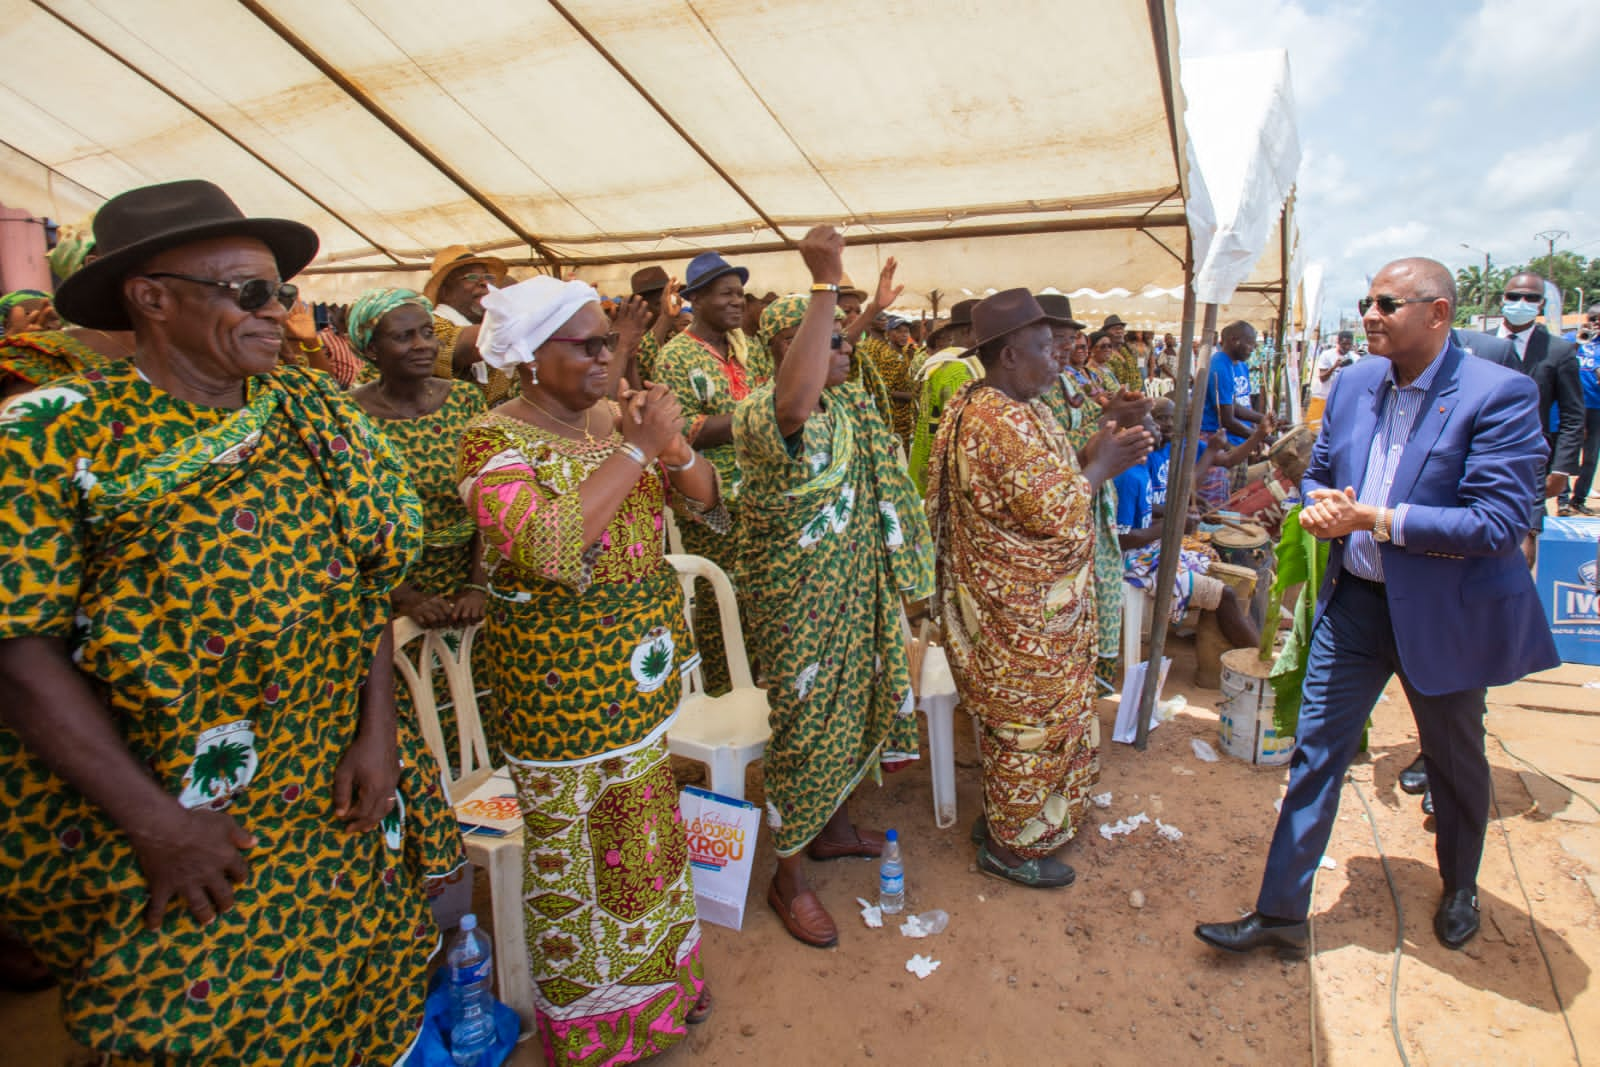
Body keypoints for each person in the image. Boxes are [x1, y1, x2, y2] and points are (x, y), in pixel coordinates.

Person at [0, 178, 462, 1063]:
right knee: (194, 1020)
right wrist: (157, 824)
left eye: (282, 295)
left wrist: (378, 735)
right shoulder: (54, 435)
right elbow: (20, 651)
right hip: (178, 812)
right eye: (250, 293)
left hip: (332, 786)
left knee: (364, 986)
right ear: (153, 297)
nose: (278, 316)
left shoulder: (311, 412)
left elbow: (363, 581)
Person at [1195, 258, 1558, 958]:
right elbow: (1321, 474)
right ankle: (1280, 915)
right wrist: (1318, 508)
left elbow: (1498, 523)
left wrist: (1378, 518)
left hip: (1443, 612)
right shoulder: (1355, 381)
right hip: (1356, 604)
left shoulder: (1498, 394)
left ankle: (1459, 885)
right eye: (1367, 300)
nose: (1370, 314)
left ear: (1438, 314)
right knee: (1316, 753)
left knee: (1454, 761)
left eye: (1388, 303)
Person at [457, 275, 725, 1061]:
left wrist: (667, 447)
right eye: (587, 344)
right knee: (579, 863)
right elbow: (545, 545)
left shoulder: (614, 422)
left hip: (637, 683)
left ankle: (665, 992)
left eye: (609, 340)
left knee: (645, 841)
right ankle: (600, 1030)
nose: (607, 355)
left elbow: (705, 498)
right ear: (530, 356)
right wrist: (638, 448)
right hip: (559, 699)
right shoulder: (490, 439)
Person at [733, 229, 934, 948]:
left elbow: (828, 356)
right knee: (803, 729)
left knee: (854, 704)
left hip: (855, 588)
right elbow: (794, 395)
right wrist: (824, 282)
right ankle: (787, 876)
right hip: (800, 606)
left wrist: (864, 312)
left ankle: (833, 828)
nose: (846, 349)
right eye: (833, 343)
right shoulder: (768, 414)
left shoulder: (846, 407)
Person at [927, 289, 1151, 888]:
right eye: (1045, 348)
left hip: (1039, 610)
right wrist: (1101, 466)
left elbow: (1049, 476)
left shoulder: (1018, 405)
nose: (1059, 357)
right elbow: (1054, 509)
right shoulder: (994, 419)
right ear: (1006, 355)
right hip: (1017, 613)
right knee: (1027, 724)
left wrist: (1104, 449)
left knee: (1040, 721)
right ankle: (1011, 847)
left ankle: (1007, 820)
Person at [653, 251, 767, 694]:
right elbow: (686, 432)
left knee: (758, 597)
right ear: (695, 300)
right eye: (726, 294)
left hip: (759, 495)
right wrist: (758, 416)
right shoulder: (676, 358)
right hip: (711, 501)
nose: (738, 302)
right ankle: (722, 693)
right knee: (721, 600)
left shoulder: (749, 350)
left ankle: (755, 689)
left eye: (740, 293)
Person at [347, 288, 488, 628]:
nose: (422, 345)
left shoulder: (465, 401)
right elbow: (348, 520)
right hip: (386, 592)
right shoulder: (347, 416)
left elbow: (491, 499)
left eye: (428, 333)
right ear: (370, 349)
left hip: (469, 585)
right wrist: (404, 596)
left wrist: (478, 586)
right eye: (403, 337)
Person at [1114, 409, 1260, 651]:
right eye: (1154, 424)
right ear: (1138, 437)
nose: (1160, 429)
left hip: (1149, 550)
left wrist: (1175, 517)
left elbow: (1146, 514)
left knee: (1219, 569)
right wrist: (1173, 525)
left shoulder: (1138, 471)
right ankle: (1258, 661)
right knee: (1226, 594)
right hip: (1133, 563)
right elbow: (1121, 539)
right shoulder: (1129, 477)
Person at [1497, 271, 1583, 555]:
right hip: (1473, 453)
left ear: (1541, 304)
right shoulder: (1476, 345)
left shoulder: (1559, 351)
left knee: (1526, 533)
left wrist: (1561, 469)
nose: (1521, 302)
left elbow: (1573, 415)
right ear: (1502, 300)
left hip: (1530, 458)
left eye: (1530, 298)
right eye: (1514, 296)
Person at [422, 243, 513, 401]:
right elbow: (465, 345)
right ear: (445, 291)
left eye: (488, 278)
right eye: (472, 277)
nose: (484, 283)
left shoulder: (493, 325)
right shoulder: (430, 325)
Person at [908, 298, 977, 492]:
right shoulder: (959, 370)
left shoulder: (944, 362)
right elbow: (964, 431)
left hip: (924, 464)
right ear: (967, 332)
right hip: (943, 474)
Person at [1568, 311, 1600, 514]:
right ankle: (1561, 499)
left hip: (1595, 406)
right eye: (1594, 319)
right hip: (1570, 404)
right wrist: (1579, 341)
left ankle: (1578, 499)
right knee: (1565, 452)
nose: (1596, 323)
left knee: (1590, 456)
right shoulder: (1572, 337)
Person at [1306, 330, 1352, 428]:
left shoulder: (1354, 358)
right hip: (1322, 399)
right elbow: (1322, 378)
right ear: (1338, 342)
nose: (1347, 347)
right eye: (1344, 344)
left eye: (1349, 344)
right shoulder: (1327, 355)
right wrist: (1334, 367)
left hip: (1340, 402)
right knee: (1313, 430)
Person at [1100, 314, 1143, 391]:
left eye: (1121, 328)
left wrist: (1136, 392)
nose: (1119, 331)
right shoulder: (1104, 354)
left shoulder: (1126, 352)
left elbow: (1137, 374)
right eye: (1115, 329)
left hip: (1134, 395)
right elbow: (1108, 382)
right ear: (1106, 333)